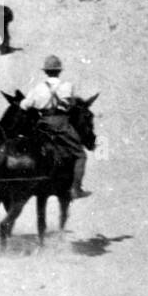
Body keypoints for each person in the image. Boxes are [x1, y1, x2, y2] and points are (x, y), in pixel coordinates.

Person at [19, 55, 90, 199]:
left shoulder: (38, 88)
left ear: (46, 72)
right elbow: (71, 105)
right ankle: (76, 189)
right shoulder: (67, 86)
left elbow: (24, 105)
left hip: (43, 123)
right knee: (80, 154)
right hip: (62, 123)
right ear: (59, 71)